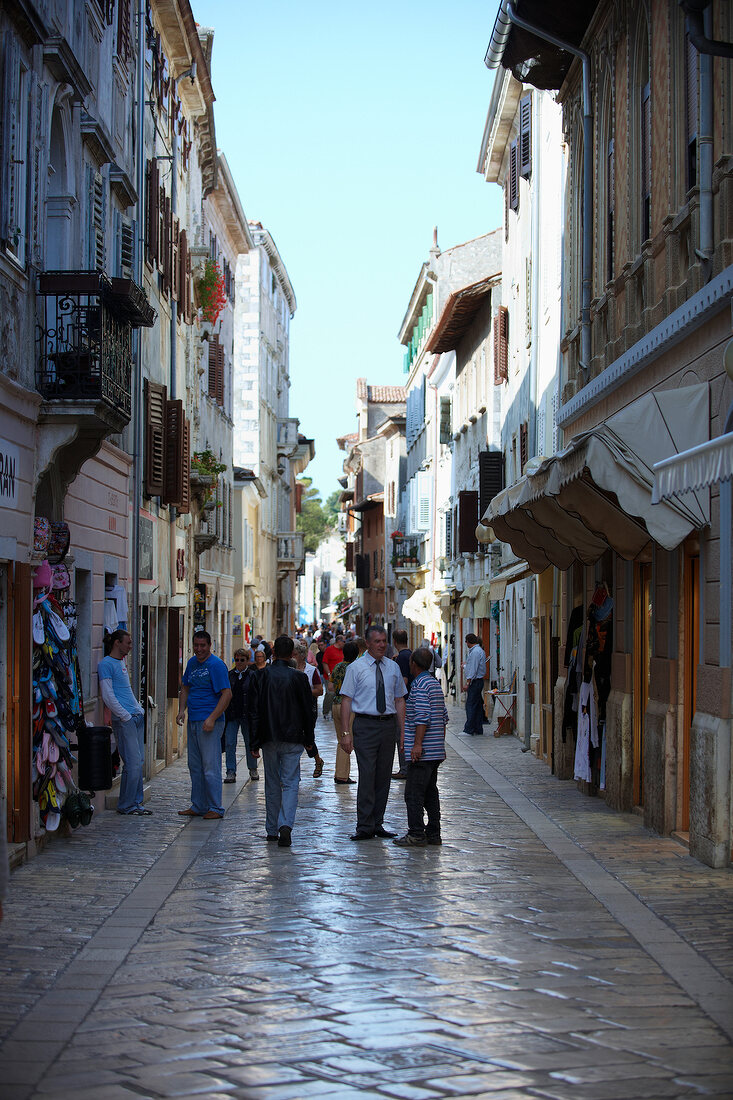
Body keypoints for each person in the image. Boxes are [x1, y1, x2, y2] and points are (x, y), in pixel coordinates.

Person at [340, 624, 407, 841]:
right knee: (367, 774)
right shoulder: (356, 669)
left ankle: (378, 822)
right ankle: (365, 825)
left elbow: (399, 700)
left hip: (387, 726)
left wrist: (403, 730)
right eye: (376, 641)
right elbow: (346, 700)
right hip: (365, 725)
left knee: (383, 776)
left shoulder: (393, 667)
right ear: (367, 643)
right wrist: (345, 733)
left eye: (383, 641)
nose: (381, 645)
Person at [249, 634, 316, 847]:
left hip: (269, 736)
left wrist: (254, 741)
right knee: (290, 782)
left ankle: (271, 829)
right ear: (292, 654)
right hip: (293, 736)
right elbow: (308, 710)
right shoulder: (299, 678)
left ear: (274, 653)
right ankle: (285, 824)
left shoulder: (261, 676)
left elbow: (255, 711)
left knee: (272, 782)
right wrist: (309, 738)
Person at [393, 647, 449, 847]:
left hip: (423, 752)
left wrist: (417, 745)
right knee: (430, 793)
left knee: (414, 794)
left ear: (413, 664)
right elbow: (443, 718)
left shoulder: (419, 685)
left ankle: (416, 832)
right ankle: (434, 833)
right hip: (434, 751)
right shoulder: (434, 684)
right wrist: (438, 746)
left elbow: (422, 717)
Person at [176, 632, 232, 819]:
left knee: (210, 767)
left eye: (203, 645)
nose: (199, 649)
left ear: (210, 646)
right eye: (196, 645)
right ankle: (198, 805)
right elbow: (185, 686)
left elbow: (227, 694)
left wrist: (212, 718)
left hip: (210, 723)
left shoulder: (216, 665)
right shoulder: (192, 663)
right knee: (195, 766)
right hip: (193, 720)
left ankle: (215, 807)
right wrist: (181, 710)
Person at [97, 629, 150, 816]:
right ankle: (126, 804)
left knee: (139, 762)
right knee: (133, 763)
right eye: (127, 643)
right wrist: (125, 715)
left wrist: (138, 708)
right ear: (117, 643)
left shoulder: (121, 662)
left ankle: (135, 803)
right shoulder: (106, 664)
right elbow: (108, 695)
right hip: (125, 719)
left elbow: (126, 690)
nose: (129, 646)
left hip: (135, 716)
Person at [224, 647, 258, 784]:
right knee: (230, 742)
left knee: (249, 742)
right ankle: (230, 771)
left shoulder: (252, 675)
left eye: (242, 660)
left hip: (247, 714)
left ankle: (253, 768)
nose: (239, 662)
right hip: (232, 714)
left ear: (247, 660)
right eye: (236, 659)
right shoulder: (229, 675)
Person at [293, 641, 325, 777]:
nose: (292, 657)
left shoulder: (312, 671)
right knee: (294, 739)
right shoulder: (289, 669)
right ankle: (294, 771)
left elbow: (319, 690)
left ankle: (318, 761)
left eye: (294, 654)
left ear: (301, 655)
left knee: (307, 738)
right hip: (292, 709)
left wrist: (305, 691)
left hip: (308, 708)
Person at [329, 640, 359, 785]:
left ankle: (340, 772)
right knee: (347, 739)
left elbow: (330, 685)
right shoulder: (355, 668)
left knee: (341, 739)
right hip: (348, 705)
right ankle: (342, 775)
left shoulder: (338, 666)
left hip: (335, 704)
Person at [391, 629, 412, 780]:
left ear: (394, 641)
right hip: (410, 699)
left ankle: (404, 768)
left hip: (404, 701)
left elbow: (403, 680)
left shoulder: (402, 658)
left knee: (401, 735)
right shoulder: (410, 654)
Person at [463, 633, 487, 737]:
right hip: (478, 681)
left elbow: (473, 669)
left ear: (468, 642)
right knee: (476, 706)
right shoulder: (477, 651)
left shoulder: (475, 652)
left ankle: (469, 729)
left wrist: (467, 683)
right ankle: (478, 728)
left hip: (475, 682)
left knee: (471, 705)